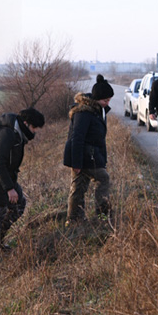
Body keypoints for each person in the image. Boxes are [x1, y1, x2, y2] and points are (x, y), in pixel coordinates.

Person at [0, 108, 45, 263]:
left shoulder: (17, 133)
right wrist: (9, 188)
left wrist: (11, 186)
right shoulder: (6, 134)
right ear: (26, 123)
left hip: (4, 179)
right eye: (34, 128)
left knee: (19, 205)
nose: (34, 132)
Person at [63, 74, 113, 226]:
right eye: (105, 100)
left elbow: (99, 139)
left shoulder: (96, 110)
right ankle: (103, 216)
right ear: (97, 99)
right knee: (103, 179)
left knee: (78, 188)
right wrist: (76, 163)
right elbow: (77, 138)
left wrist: (102, 159)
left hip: (89, 156)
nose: (107, 103)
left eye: (109, 100)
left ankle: (73, 220)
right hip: (85, 157)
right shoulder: (84, 113)